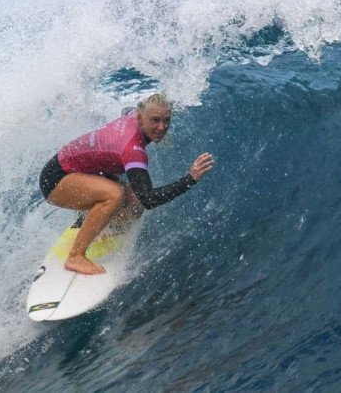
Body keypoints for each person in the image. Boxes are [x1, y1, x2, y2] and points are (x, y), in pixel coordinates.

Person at [38, 93, 214, 275]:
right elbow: (149, 199)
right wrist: (190, 179)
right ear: (140, 118)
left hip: (84, 172)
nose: (162, 127)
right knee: (114, 194)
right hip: (56, 179)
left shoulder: (133, 115)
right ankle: (75, 256)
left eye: (166, 120)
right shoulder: (132, 148)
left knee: (134, 207)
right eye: (155, 121)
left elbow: (126, 110)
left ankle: (94, 217)